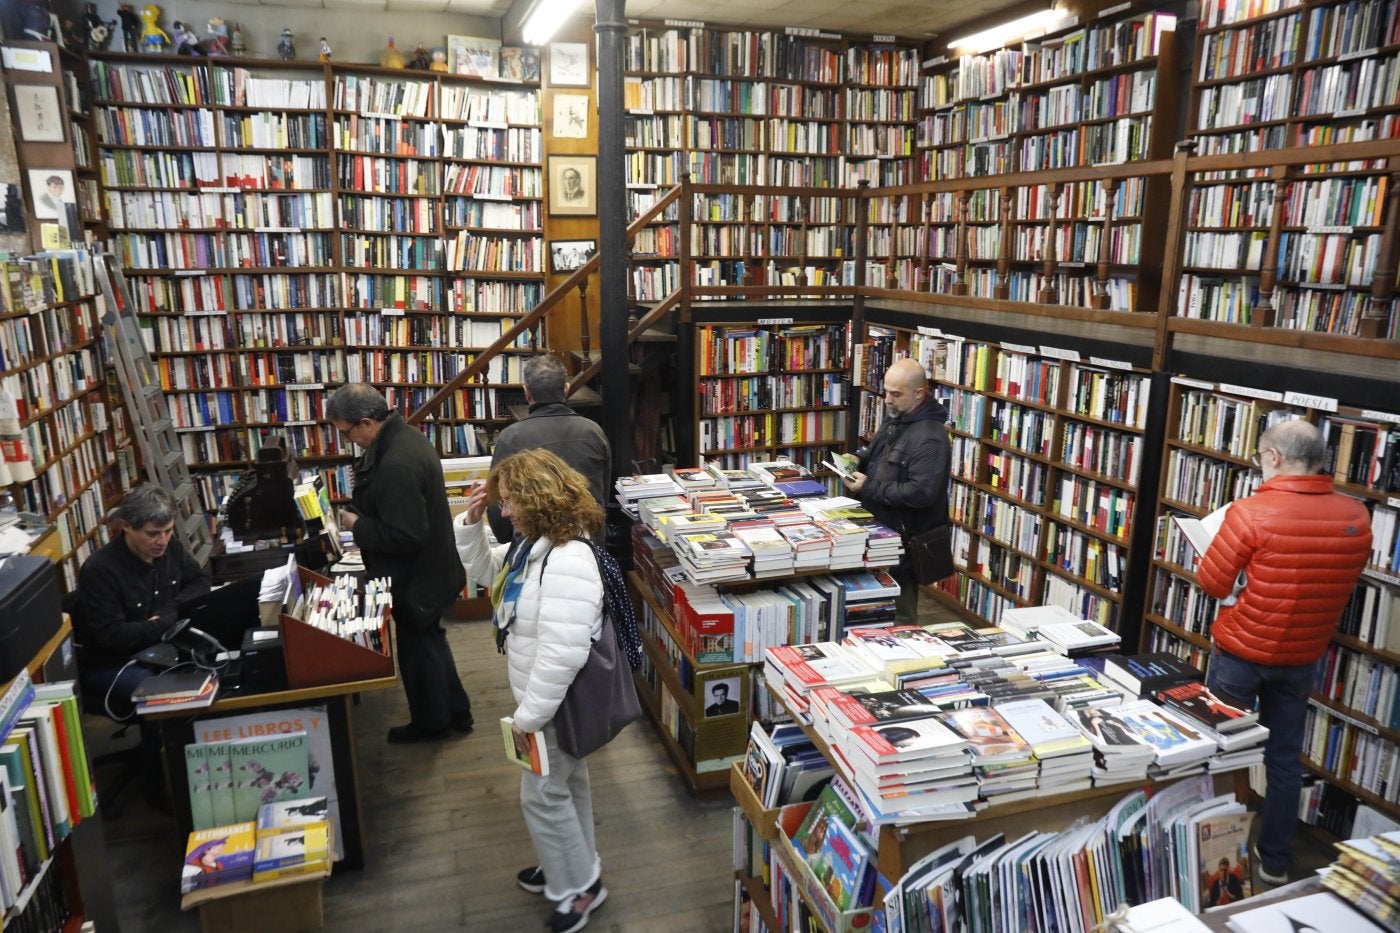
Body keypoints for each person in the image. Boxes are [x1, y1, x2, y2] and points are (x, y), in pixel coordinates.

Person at [1197, 418, 1371, 886]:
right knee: (1285, 760)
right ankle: (1275, 861)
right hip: (1302, 656)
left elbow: (1212, 582)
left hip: (1241, 651)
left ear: (1272, 457)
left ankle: (1204, 855)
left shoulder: (1251, 511)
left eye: (1259, 459)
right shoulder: (1357, 516)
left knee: (1215, 751)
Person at [455, 449, 609, 933]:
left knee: (541, 794)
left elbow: (563, 654)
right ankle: (575, 866)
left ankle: (576, 889)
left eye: (510, 503)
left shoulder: (567, 560)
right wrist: (472, 521)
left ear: (537, 502)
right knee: (565, 784)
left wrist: (528, 719)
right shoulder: (532, 548)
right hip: (546, 703)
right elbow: (486, 571)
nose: (505, 512)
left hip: (551, 706)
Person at [327, 384, 473, 744]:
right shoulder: (406, 437)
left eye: (347, 432)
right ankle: (456, 712)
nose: (349, 440)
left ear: (366, 422)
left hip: (417, 579)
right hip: (432, 571)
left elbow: (406, 535)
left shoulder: (395, 462)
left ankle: (432, 724)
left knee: (418, 649)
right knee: (430, 642)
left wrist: (357, 526)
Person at [75, 484, 210, 714]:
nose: (163, 540)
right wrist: (164, 624)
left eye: (168, 531)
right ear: (126, 526)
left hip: (160, 647)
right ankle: (160, 747)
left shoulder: (169, 547)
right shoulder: (100, 570)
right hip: (115, 662)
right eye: (152, 534)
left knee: (216, 667)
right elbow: (113, 637)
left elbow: (200, 581)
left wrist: (167, 614)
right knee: (175, 694)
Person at [844, 358, 951, 623]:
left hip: (902, 543)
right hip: (881, 532)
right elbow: (877, 451)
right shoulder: (897, 418)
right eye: (886, 392)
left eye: (896, 393)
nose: (887, 399)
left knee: (897, 616)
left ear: (919, 393)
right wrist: (859, 458)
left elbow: (921, 493)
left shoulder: (930, 437)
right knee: (872, 610)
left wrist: (867, 487)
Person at [485, 354, 610, 544]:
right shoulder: (593, 431)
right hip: (589, 542)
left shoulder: (511, 437)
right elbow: (603, 494)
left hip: (533, 546)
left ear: (526, 392)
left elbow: (497, 511)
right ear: (566, 389)